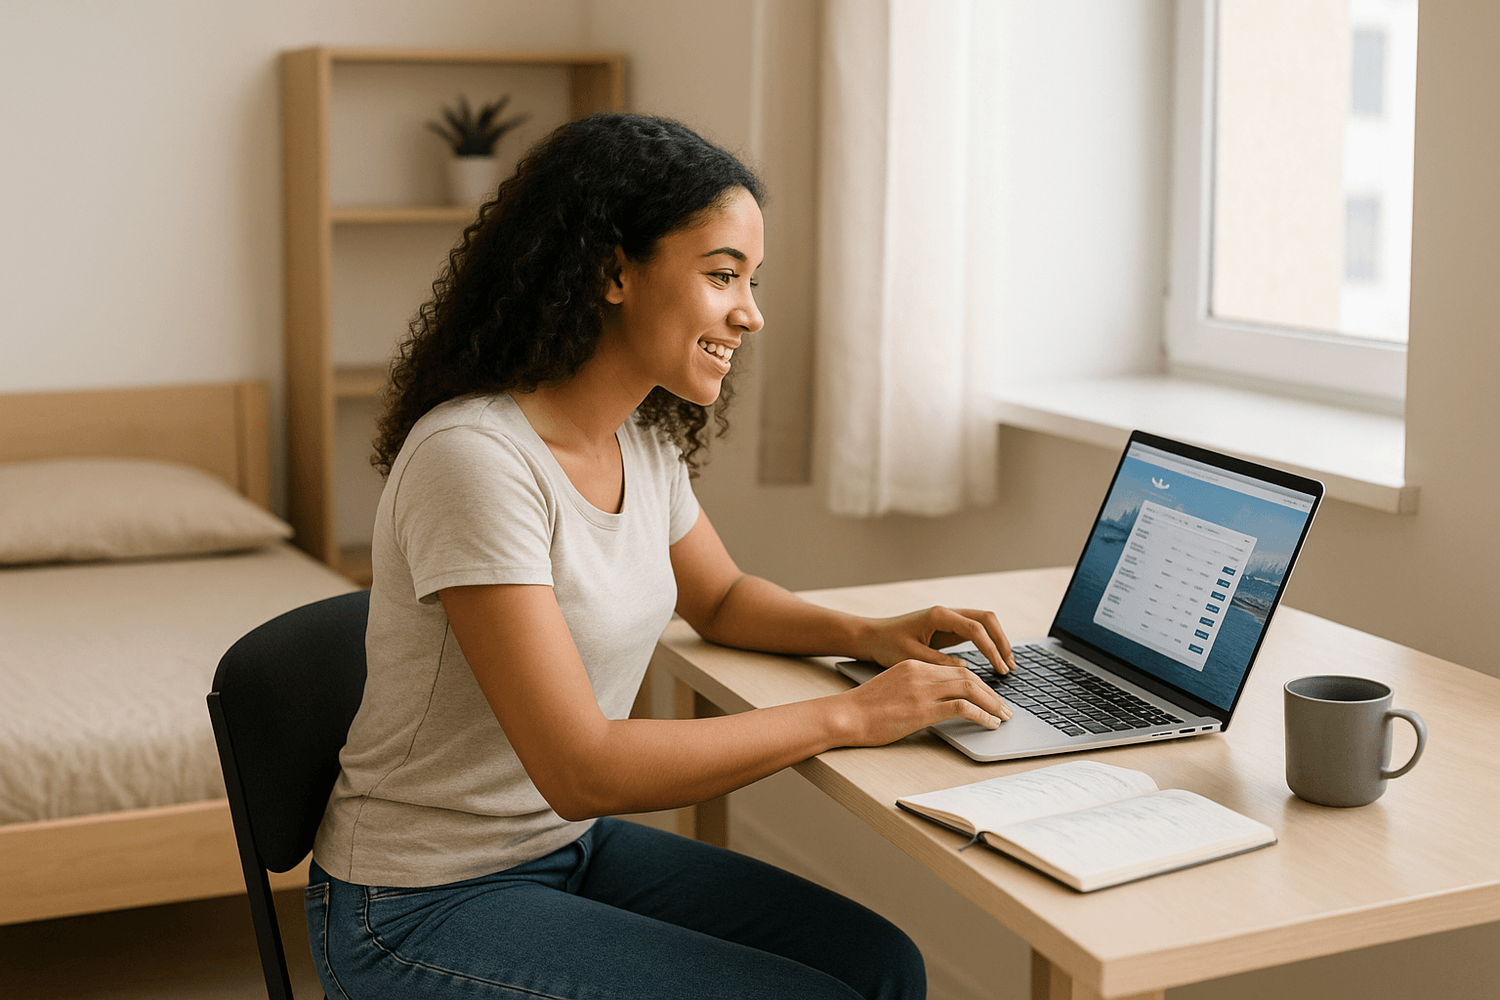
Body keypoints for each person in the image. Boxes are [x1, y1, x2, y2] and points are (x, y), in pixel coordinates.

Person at [305, 112, 1015, 1000]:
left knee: (883, 967)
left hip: (557, 847)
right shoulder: (474, 460)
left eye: (752, 281)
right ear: (613, 271)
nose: (750, 314)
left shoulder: (640, 438)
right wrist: (850, 716)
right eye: (723, 276)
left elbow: (718, 600)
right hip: (417, 901)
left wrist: (869, 633)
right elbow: (581, 768)